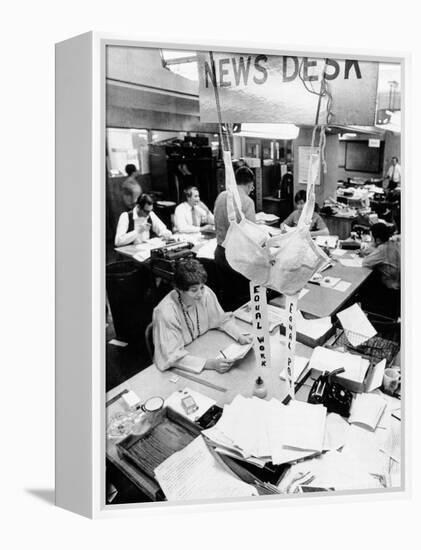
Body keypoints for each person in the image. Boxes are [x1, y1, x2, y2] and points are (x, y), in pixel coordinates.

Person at [152, 259, 252, 372]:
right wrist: (209, 364)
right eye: (193, 290)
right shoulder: (166, 311)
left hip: (200, 348)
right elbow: (172, 356)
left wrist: (239, 335)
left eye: (202, 287)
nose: (200, 294)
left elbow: (221, 320)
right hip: (178, 365)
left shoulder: (206, 293)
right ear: (179, 289)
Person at [213, 165, 256, 311]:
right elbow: (251, 235)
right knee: (242, 302)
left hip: (219, 253)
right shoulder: (247, 202)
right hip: (237, 258)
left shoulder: (221, 196)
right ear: (250, 184)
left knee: (226, 298)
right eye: (252, 187)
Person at [360, 222, 400, 318]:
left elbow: (365, 263)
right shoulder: (391, 244)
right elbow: (369, 252)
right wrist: (373, 247)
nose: (370, 240)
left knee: (362, 286)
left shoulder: (382, 249)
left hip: (389, 289)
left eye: (371, 238)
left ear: (377, 239)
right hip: (398, 287)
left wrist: (371, 245)